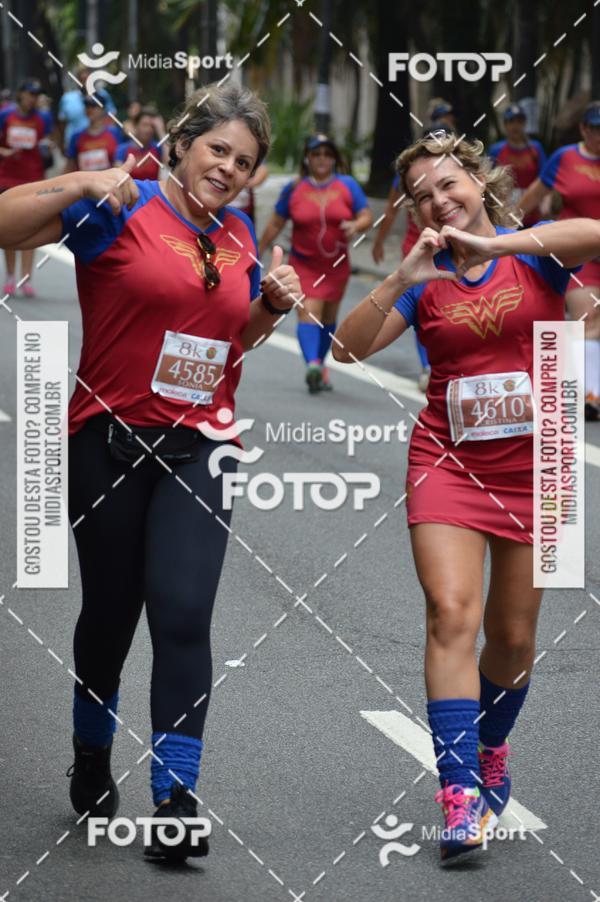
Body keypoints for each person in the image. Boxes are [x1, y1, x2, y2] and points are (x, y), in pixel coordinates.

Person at [0, 81, 300, 863]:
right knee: (111, 612)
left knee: (182, 613)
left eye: (244, 161)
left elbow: (231, 342)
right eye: (218, 150)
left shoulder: (239, 234)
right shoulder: (122, 206)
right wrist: (82, 181)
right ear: (182, 145)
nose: (228, 168)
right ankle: (92, 749)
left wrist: (270, 307)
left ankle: (176, 801)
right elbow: (5, 222)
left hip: (203, 449)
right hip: (108, 443)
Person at [333, 132, 599, 863]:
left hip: (540, 465)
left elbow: (591, 233)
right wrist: (400, 276)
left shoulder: (534, 252)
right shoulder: (422, 278)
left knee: (512, 637)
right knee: (451, 612)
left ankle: (489, 748)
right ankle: (458, 793)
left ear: (479, 183)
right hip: (447, 463)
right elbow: (346, 348)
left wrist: (500, 244)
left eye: (449, 184)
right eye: (422, 195)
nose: (439, 200)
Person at [259, 134, 372, 393]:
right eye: (316, 154)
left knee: (328, 318)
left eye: (327, 154)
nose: (322, 159)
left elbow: (366, 215)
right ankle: (311, 364)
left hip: (336, 267)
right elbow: (276, 222)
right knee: (309, 311)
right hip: (304, 265)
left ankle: (319, 364)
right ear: (307, 159)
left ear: (334, 159)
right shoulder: (294, 188)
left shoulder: (347, 185)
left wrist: (356, 225)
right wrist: (260, 249)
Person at [520, 101, 600, 420]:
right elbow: (532, 197)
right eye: (595, 128)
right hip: (579, 254)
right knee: (589, 318)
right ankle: (589, 396)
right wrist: (501, 238)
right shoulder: (565, 158)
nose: (599, 135)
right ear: (583, 129)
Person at [372, 125, 454, 392]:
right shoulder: (408, 176)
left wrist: (500, 243)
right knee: (424, 308)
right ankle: (428, 367)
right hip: (418, 250)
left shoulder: (459, 173)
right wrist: (379, 241)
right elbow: (391, 211)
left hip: (455, 249)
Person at [0, 78, 52, 298]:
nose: (32, 99)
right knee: (8, 228)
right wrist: (5, 152)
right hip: (7, 178)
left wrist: (48, 148)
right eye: (30, 94)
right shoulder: (6, 115)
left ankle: (26, 278)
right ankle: (10, 276)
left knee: (32, 229)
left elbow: (48, 142)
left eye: (36, 95)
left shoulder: (43, 118)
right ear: (21, 94)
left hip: (33, 179)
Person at [488, 104, 547, 227]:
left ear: (525, 124)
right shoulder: (496, 150)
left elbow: (545, 180)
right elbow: (488, 180)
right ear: (505, 125)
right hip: (504, 214)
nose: (515, 126)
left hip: (532, 214)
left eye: (519, 121)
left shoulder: (535, 149)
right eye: (511, 121)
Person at [57, 66, 116, 153]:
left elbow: (111, 117)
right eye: (82, 79)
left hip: (100, 144)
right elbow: (62, 123)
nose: (85, 83)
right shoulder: (67, 98)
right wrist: (62, 144)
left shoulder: (103, 95)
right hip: (75, 145)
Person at [64, 94, 121, 173]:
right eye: (87, 106)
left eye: (93, 106)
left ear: (102, 109)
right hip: (85, 180)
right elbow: (70, 166)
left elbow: (121, 159)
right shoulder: (76, 136)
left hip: (110, 179)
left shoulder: (114, 133)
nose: (89, 110)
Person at [115, 106, 168, 180]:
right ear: (136, 126)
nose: (148, 129)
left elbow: (169, 162)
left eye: (152, 126)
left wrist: (161, 131)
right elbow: (118, 176)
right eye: (144, 125)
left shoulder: (157, 148)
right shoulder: (123, 149)